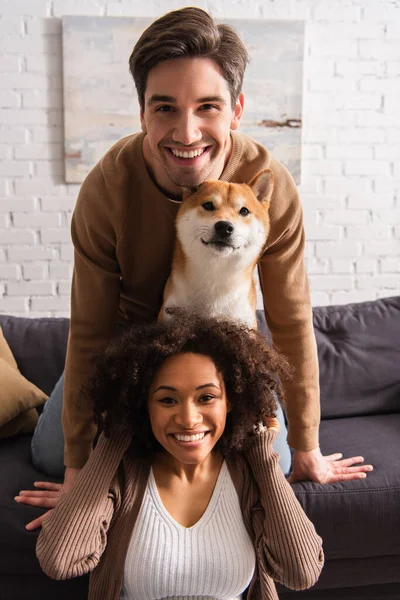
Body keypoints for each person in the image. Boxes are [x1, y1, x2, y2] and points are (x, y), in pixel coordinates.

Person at [22, 7, 372, 530]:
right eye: (164, 107)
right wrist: (77, 470)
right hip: (127, 349)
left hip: (227, 360)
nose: (186, 132)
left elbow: (293, 320)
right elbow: (91, 329)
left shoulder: (268, 186)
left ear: (236, 110)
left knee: (266, 463)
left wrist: (307, 446)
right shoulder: (107, 187)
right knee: (52, 457)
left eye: (207, 106)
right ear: (142, 112)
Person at [30, 314, 324, 599]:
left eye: (206, 397)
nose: (188, 419)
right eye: (167, 400)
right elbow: (61, 561)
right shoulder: (125, 472)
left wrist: (262, 452)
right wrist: (112, 437)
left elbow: (302, 572)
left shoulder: (249, 471)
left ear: (230, 400)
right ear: (144, 406)